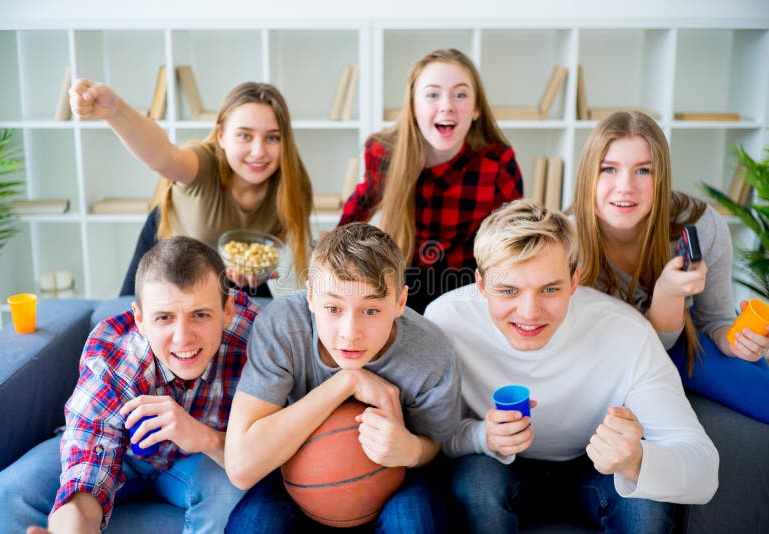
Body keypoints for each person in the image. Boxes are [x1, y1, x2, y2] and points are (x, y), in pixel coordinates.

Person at [424, 200, 718, 533]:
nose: (529, 313)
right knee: (475, 484)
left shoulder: (626, 332)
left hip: (593, 469)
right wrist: (482, 436)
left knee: (645, 503)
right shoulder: (445, 322)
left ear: (575, 281)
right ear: (480, 284)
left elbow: (704, 469)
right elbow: (430, 439)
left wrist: (637, 462)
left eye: (550, 289)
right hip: (498, 469)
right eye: (508, 290)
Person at [0, 236, 260, 534]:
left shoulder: (256, 339)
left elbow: (267, 451)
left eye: (200, 314)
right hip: (119, 455)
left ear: (227, 310)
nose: (183, 338)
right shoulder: (113, 355)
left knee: (231, 493)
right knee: (7, 494)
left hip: (198, 464)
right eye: (164, 317)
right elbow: (87, 465)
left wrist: (204, 437)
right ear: (139, 319)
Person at [223, 222, 461, 533]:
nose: (350, 333)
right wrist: (346, 382)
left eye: (371, 311)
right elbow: (241, 468)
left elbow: (437, 445)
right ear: (310, 296)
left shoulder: (430, 353)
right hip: (295, 472)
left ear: (400, 302)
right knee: (253, 526)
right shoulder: (282, 326)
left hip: (397, 478)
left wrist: (411, 449)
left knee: (415, 524)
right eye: (333, 308)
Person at [571, 110, 769, 423]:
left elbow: (713, 319)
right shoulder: (565, 243)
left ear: (660, 177)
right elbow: (637, 351)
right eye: (609, 169)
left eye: (643, 171)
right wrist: (666, 293)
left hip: (683, 340)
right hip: (612, 360)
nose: (625, 186)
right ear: (588, 175)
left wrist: (734, 341)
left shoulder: (702, 226)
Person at [69, 79, 313, 298]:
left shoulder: (292, 184)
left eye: (272, 138)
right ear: (221, 137)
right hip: (170, 255)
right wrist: (115, 111)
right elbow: (163, 155)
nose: (259, 151)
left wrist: (258, 272)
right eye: (245, 136)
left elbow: (270, 247)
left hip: (234, 275)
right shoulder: (202, 164)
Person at [338, 48, 523, 313]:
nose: (446, 105)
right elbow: (356, 214)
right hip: (401, 288)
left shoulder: (498, 163)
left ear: (476, 109)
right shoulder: (383, 153)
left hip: (467, 291)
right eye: (432, 94)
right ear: (413, 107)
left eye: (460, 94)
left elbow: (514, 242)